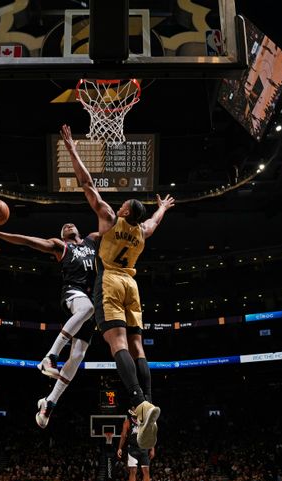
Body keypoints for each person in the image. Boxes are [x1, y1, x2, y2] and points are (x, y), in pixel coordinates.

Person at [61, 124, 174, 449]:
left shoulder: (110, 218)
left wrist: (72, 150)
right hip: (132, 286)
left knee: (117, 344)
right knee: (139, 347)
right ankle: (148, 402)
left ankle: (138, 401)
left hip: (109, 281)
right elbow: (153, 222)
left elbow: (87, 184)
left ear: (125, 211)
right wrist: (163, 208)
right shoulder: (141, 232)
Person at [0, 216, 98, 428]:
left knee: (78, 356)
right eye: (64, 226)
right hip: (74, 292)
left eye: (71, 224)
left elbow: (114, 228)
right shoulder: (60, 246)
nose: (68, 224)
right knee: (86, 309)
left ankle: (49, 404)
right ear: (63, 236)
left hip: (92, 301)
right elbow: (28, 240)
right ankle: (50, 357)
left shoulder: (92, 240)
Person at [117, 410, 155, 481]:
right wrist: (120, 448)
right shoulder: (127, 422)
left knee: (146, 471)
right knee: (133, 471)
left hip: (144, 448)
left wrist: (152, 448)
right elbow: (123, 435)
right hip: (132, 449)